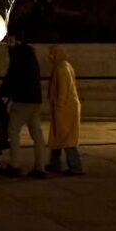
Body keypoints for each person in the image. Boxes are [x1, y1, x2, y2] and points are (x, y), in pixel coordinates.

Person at [0, 41, 46, 178]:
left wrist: (1, 92)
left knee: (13, 131)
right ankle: (40, 167)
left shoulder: (17, 57)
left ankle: (14, 165)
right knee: (37, 135)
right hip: (35, 101)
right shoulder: (32, 58)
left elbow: (11, 77)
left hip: (22, 101)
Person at [43, 45, 83, 176]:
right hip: (65, 107)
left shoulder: (61, 69)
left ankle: (75, 167)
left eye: (52, 53)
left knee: (66, 138)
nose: (50, 56)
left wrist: (58, 105)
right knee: (58, 137)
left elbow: (63, 91)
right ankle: (55, 164)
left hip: (65, 109)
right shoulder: (64, 66)